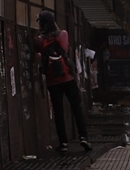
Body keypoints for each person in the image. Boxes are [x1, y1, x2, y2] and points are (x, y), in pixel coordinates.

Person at [34, 10, 91, 153]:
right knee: (76, 108)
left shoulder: (39, 40)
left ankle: (63, 143)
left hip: (53, 82)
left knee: (58, 112)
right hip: (68, 79)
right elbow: (64, 47)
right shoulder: (63, 35)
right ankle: (83, 137)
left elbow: (37, 51)